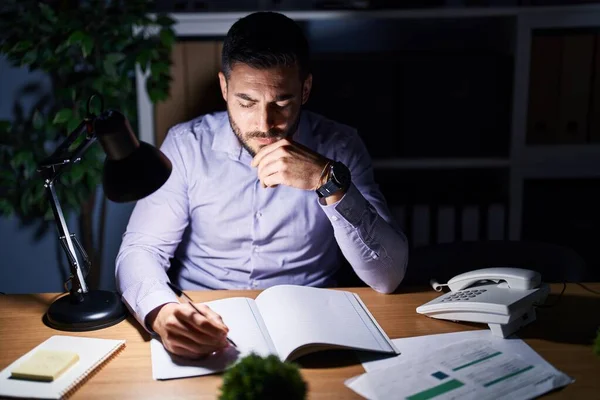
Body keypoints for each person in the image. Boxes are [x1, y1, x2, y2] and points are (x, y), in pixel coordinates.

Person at [115, 11, 408, 359]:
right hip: (206, 314)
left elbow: (388, 276)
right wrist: (162, 312)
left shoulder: (341, 145)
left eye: (281, 102)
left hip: (313, 325)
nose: (265, 124)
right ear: (224, 88)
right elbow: (141, 249)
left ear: (306, 89)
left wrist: (328, 181)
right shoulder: (185, 145)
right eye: (246, 102)